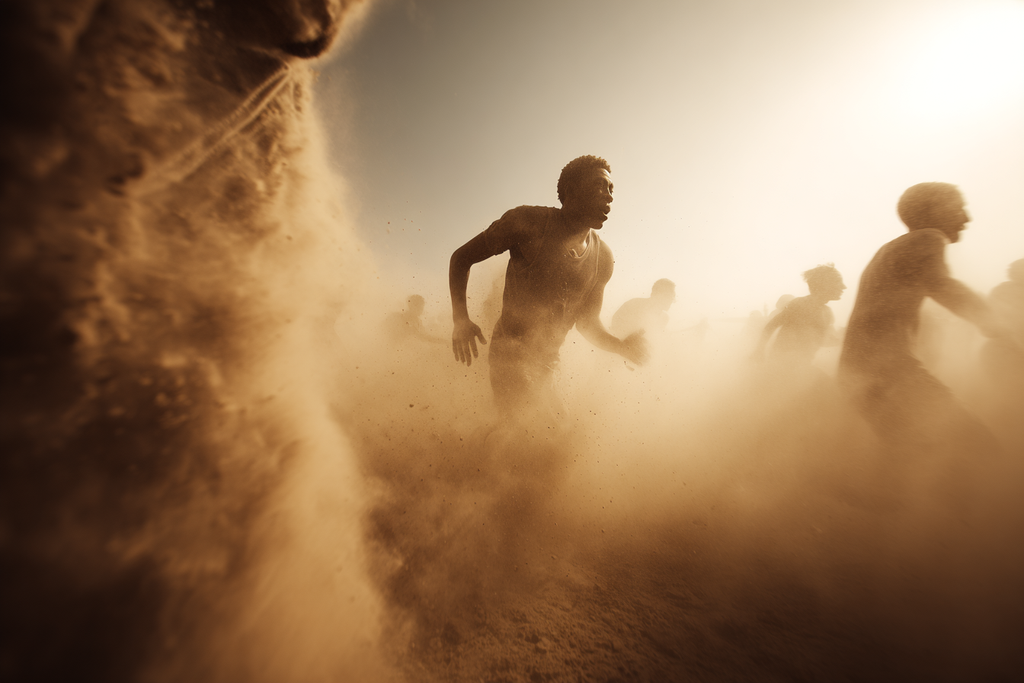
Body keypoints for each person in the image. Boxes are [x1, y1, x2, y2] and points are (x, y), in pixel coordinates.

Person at [449, 155, 648, 415]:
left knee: (557, 433)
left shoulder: (603, 258)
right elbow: (462, 258)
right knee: (520, 432)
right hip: (509, 352)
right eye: (600, 185)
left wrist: (621, 346)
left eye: (611, 189)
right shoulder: (529, 223)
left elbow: (588, 323)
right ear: (571, 191)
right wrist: (461, 320)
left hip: (548, 361)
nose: (609, 196)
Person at [838, 182, 1003, 441]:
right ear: (934, 209)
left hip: (857, 375)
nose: (967, 218)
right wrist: (998, 324)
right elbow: (944, 287)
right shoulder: (927, 237)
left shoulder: (890, 250)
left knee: (916, 454)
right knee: (976, 444)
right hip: (888, 373)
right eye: (959, 208)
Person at [754, 265, 845, 367]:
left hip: (801, 367)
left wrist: (845, 339)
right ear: (825, 286)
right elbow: (771, 325)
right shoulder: (800, 304)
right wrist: (759, 351)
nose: (844, 286)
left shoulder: (826, 312)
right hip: (783, 365)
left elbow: (821, 341)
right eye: (838, 282)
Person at [610, 278, 676, 339]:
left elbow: (655, 339)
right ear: (655, 294)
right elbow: (615, 327)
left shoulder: (664, 318)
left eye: (673, 296)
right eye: (667, 296)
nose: (671, 300)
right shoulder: (634, 305)